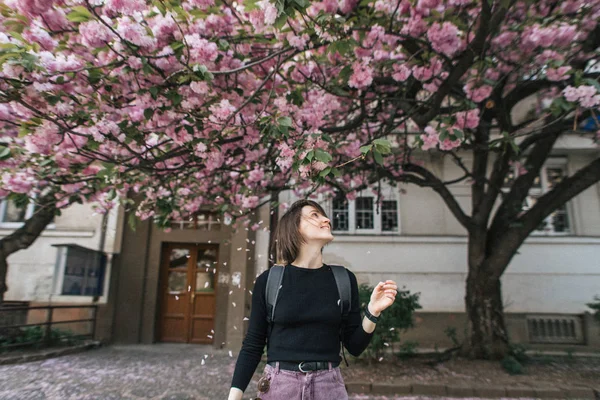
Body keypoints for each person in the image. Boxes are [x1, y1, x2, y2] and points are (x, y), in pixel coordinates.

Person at [228, 199, 398, 400]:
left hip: (329, 386)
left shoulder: (343, 279)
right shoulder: (270, 280)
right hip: (280, 386)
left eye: (324, 215)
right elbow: (253, 344)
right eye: (314, 215)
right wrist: (234, 396)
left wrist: (373, 311)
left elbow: (354, 346)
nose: (326, 219)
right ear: (295, 228)